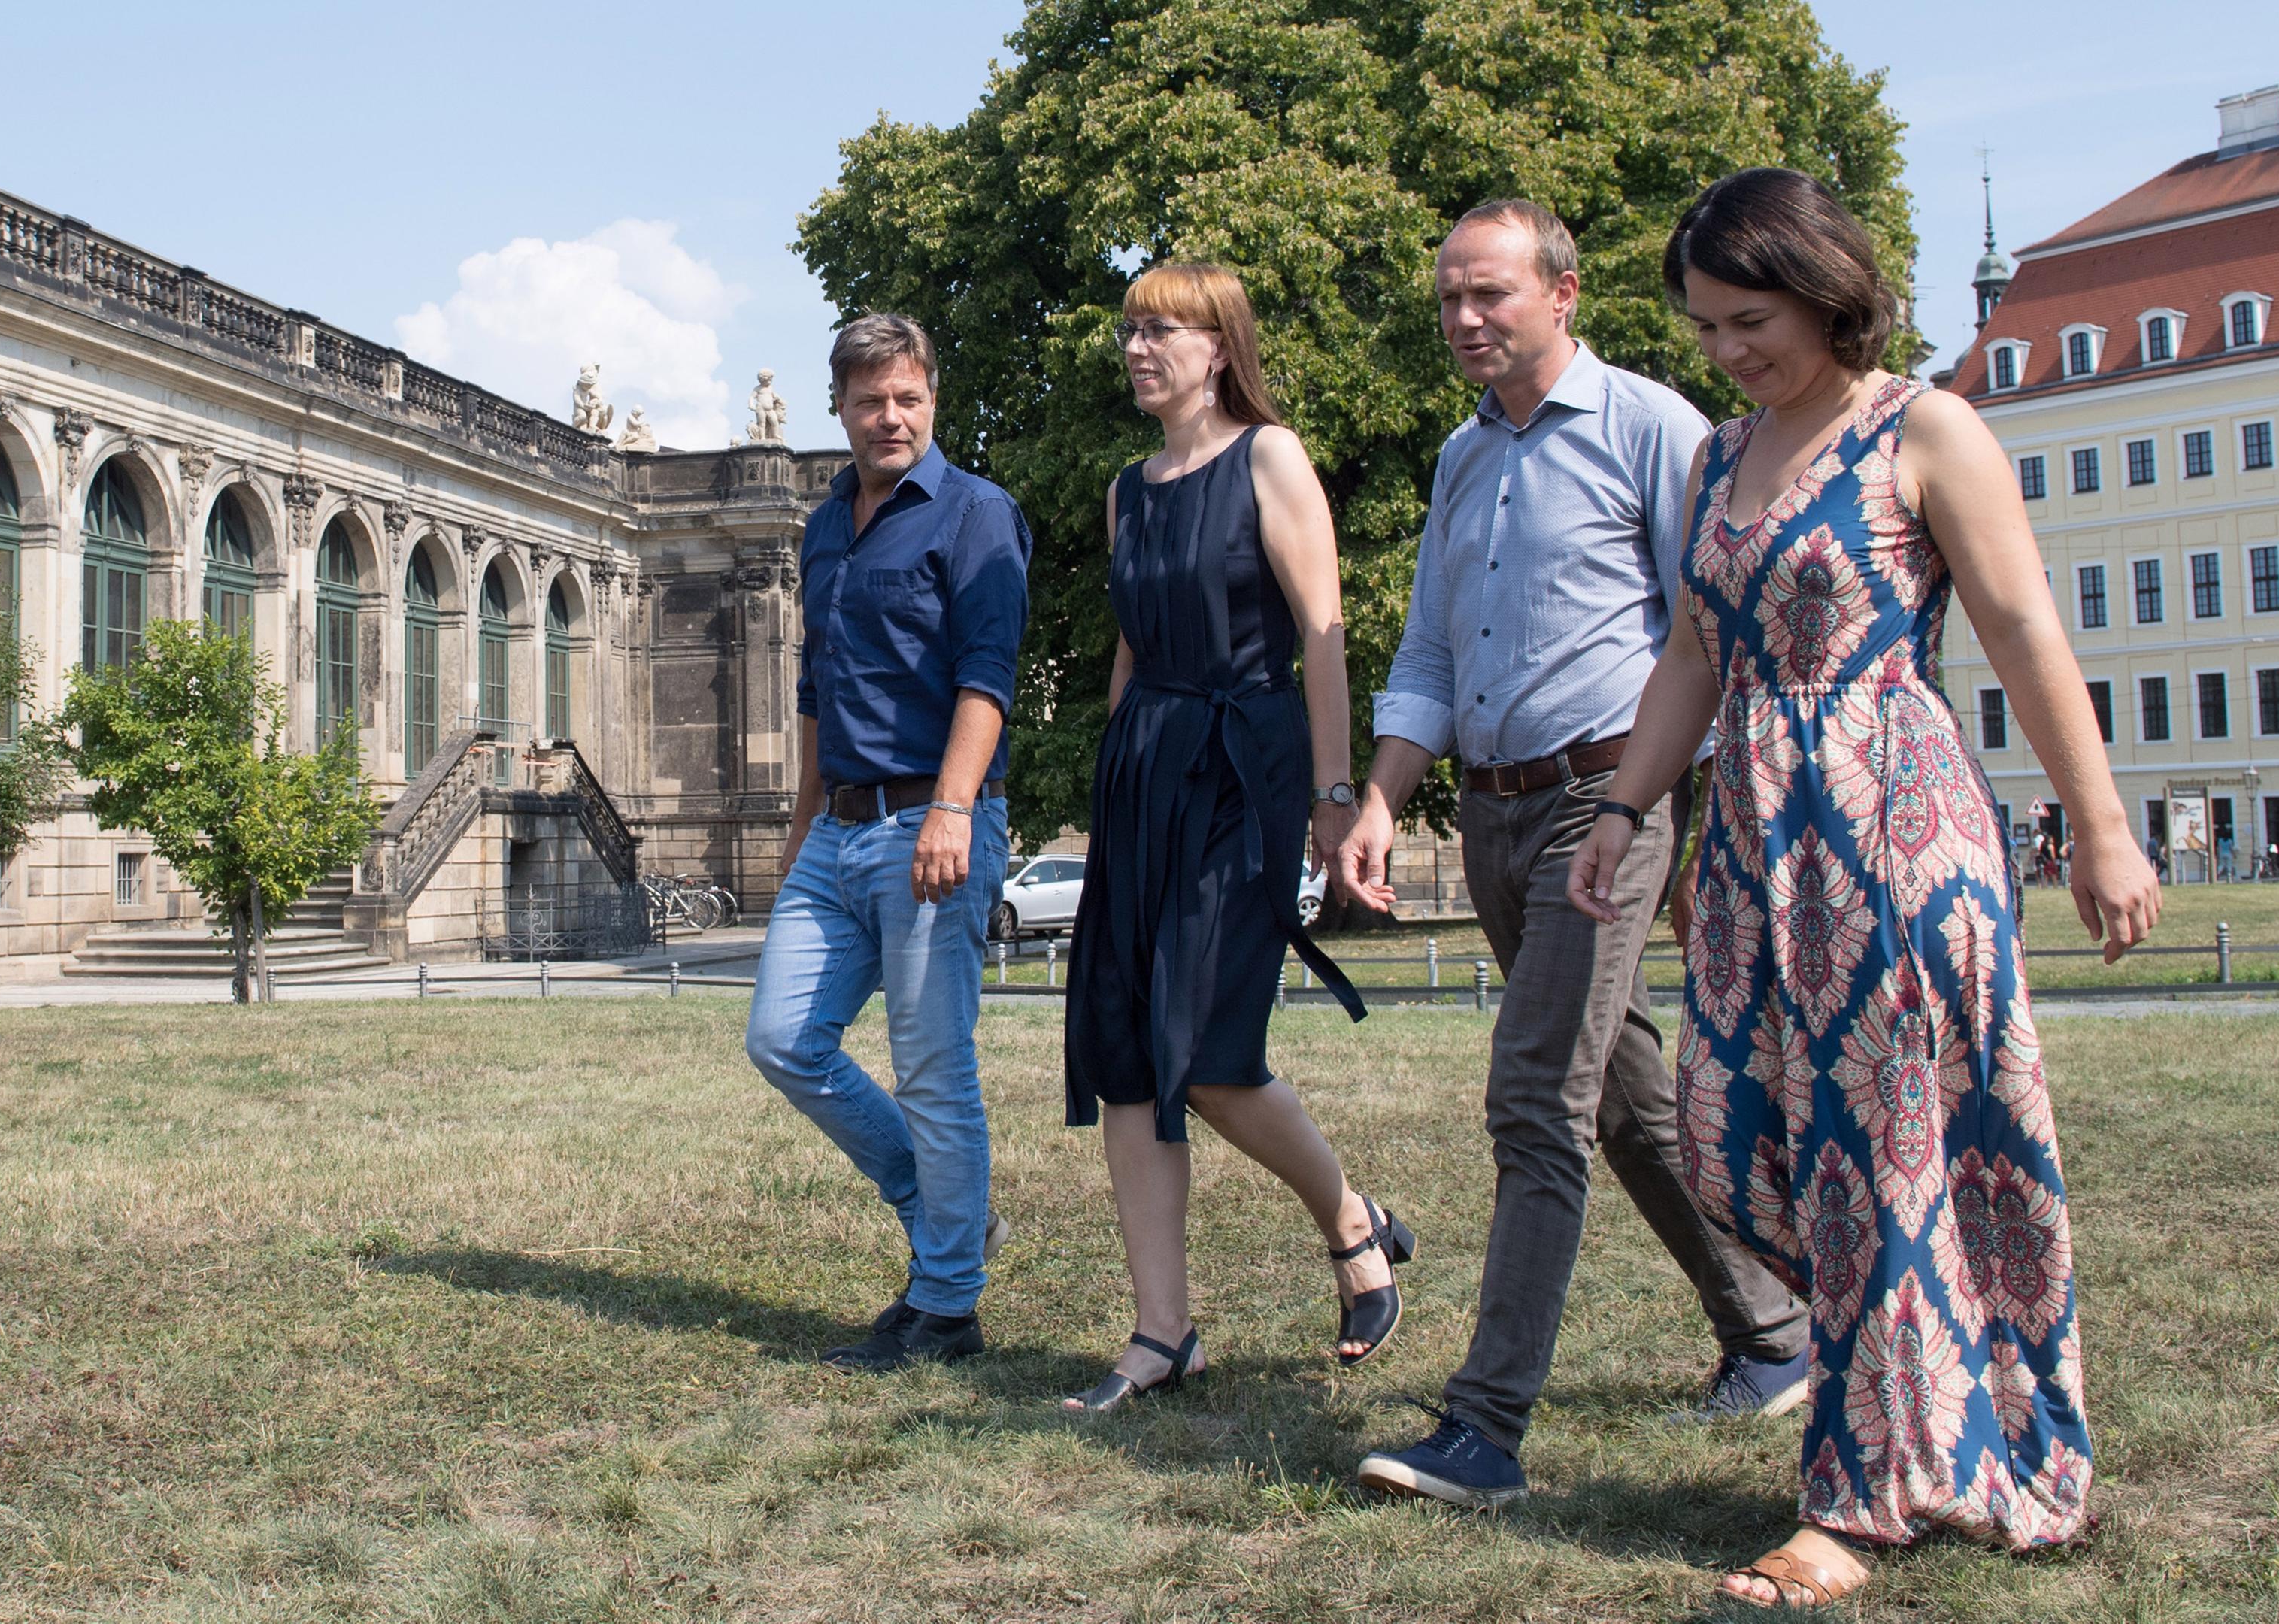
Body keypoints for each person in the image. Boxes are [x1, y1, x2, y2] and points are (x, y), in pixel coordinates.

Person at [1569, 168, 2159, 1605]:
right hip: (1753, 848)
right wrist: (1625, 802)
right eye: (1706, 327)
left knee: (1877, 1153)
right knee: (1741, 1129)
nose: (1726, 350)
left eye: (1748, 318)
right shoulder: (1717, 459)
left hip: (1895, 830)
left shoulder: (1925, 428)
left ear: (1827, 289)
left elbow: (2022, 629)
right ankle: (1936, 1427)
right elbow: (1696, 657)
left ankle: (1860, 1497)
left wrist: (2100, 826)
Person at [1338, 198, 1811, 1510]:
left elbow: (1702, 634)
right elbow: (1431, 652)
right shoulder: (1460, 457)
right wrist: (1382, 796)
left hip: (1604, 803)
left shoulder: (1654, 427)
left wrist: (1649, 808)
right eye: (1448, 300)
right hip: (1488, 811)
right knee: (1619, 1093)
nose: (1465, 320)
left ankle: (1486, 1432)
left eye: (1488, 294)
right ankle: (1776, 1336)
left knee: (1536, 1094)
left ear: (1565, 292)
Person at [1059, 264, 1386, 1413]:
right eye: (1131, 329)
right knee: (1127, 1054)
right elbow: (1132, 645)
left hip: (1244, 765)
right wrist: (1115, 771)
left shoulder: (1271, 457)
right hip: (1144, 772)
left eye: (1164, 330)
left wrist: (1335, 794)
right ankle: (1162, 1335)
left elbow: (1323, 634)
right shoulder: (1127, 489)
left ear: (1219, 345)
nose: (1139, 347)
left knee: (1204, 1049)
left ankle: (1351, 1220)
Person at [743, 314, 1032, 1373]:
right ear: (842, 409)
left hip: (932, 821)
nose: (891, 416)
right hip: (840, 828)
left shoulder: (975, 515)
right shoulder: (826, 527)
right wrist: (802, 817)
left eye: (908, 396)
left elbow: (987, 675)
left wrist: (954, 809)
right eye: (871, 401)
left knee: (932, 1068)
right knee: (782, 1039)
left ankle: (947, 1305)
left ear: (934, 399)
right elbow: (816, 683)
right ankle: (945, 1207)